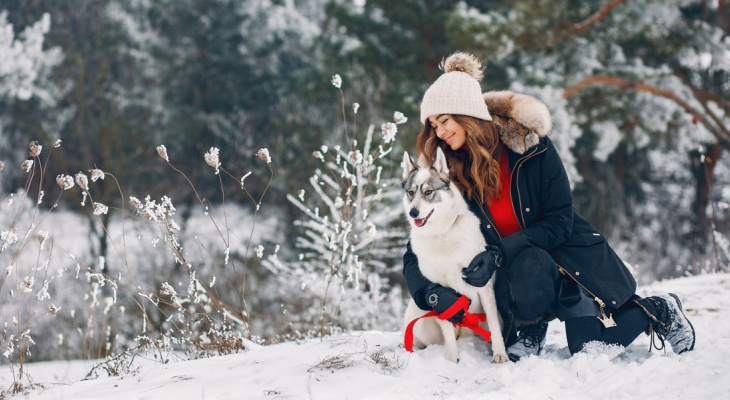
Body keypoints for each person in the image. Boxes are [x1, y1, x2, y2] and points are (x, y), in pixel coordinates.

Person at [403, 51, 696, 361]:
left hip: (570, 261)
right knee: (528, 264)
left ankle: (660, 309)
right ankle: (532, 326)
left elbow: (559, 221)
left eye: (444, 120)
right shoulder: (446, 177)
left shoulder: (531, 146)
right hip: (520, 281)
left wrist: (496, 252)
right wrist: (431, 293)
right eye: (433, 125)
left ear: (468, 116)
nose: (439, 132)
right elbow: (416, 247)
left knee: (588, 349)